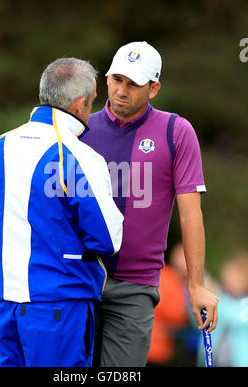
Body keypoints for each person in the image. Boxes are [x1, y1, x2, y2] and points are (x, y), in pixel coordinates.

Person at [0, 58, 124, 367]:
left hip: (5, 304)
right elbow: (107, 239)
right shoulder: (78, 155)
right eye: (93, 102)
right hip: (59, 306)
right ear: (80, 104)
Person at [81, 41, 219, 367]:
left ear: (154, 88)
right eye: (117, 80)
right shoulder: (80, 129)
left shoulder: (176, 131)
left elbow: (190, 215)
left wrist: (195, 284)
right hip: (81, 277)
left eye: (133, 84)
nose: (121, 91)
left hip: (135, 286)